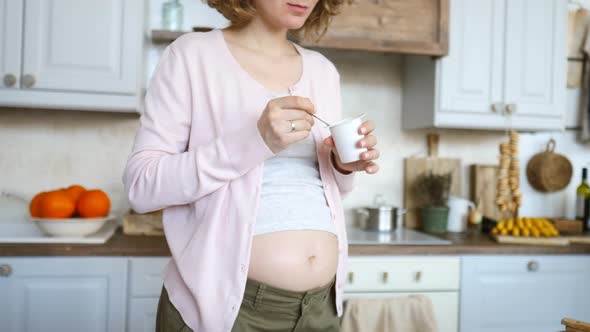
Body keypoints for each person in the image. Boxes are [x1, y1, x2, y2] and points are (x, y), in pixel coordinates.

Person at [122, 0, 380, 331]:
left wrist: (342, 165)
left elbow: (332, 192)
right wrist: (254, 142)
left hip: (321, 310)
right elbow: (141, 187)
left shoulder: (323, 71)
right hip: (226, 312)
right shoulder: (192, 56)